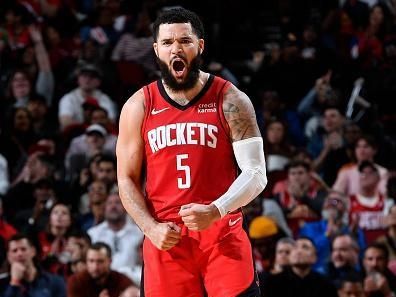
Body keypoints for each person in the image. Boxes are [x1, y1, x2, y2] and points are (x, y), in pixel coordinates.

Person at [116, 7, 267, 297]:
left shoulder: (231, 98)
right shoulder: (139, 105)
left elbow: (256, 173)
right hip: (166, 239)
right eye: (168, 42)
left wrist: (216, 210)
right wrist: (149, 227)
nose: (177, 48)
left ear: (200, 46)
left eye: (185, 41)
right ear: (157, 50)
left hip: (221, 234)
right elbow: (126, 180)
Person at [2, 233, 66, 297]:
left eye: (23, 249)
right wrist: (14, 282)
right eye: (14, 251)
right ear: (9, 256)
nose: (19, 254)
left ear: (33, 251)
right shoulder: (2, 284)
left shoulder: (55, 282)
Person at [67, 242, 136, 297]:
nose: (95, 267)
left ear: (110, 261)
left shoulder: (121, 280)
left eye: (100, 261)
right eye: (91, 261)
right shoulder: (76, 281)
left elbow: (134, 292)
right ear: (86, 261)